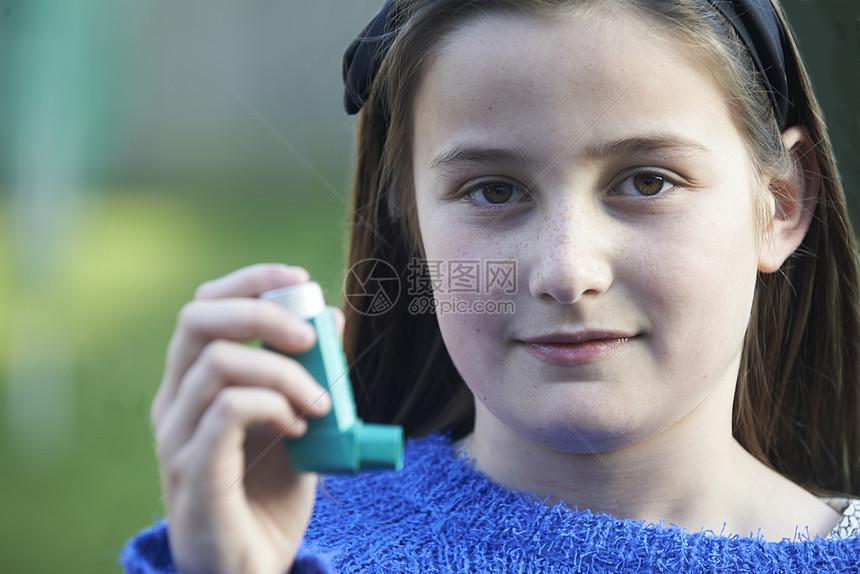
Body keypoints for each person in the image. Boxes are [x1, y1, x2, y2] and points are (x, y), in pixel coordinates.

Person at [121, 0, 860, 572]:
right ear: (410, 222)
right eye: (494, 191)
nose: (567, 272)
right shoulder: (278, 536)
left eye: (647, 180)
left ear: (781, 204)